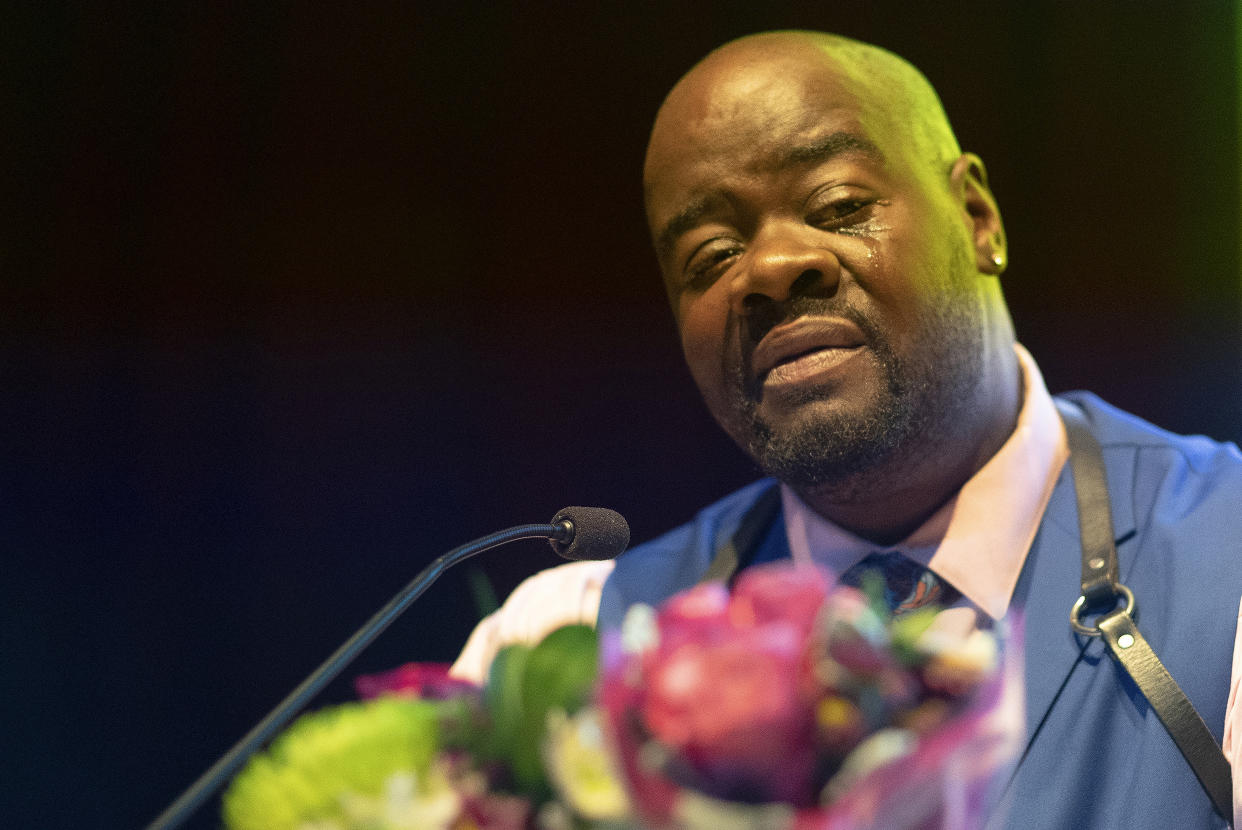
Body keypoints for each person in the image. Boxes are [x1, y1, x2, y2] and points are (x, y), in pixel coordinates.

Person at [451, 31, 1242, 828]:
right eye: (710, 255)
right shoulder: (570, 648)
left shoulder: (1227, 560)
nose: (767, 269)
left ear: (977, 218)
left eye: (838, 207)